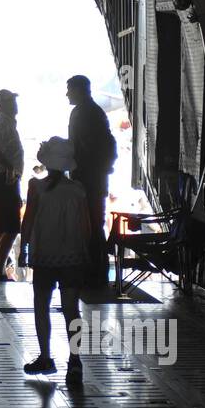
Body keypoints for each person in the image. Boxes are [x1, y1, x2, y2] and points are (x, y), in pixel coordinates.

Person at [19, 138, 91, 385]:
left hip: (44, 257)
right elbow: (86, 227)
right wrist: (86, 252)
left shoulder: (36, 187)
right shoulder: (78, 189)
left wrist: (23, 250)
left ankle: (46, 357)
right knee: (71, 309)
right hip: (73, 257)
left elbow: (28, 221)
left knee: (42, 306)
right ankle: (75, 360)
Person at [66, 75, 117, 288]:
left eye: (69, 89)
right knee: (93, 225)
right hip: (93, 178)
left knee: (91, 226)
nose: (67, 94)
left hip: (89, 180)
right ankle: (95, 273)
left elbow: (82, 147)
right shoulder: (91, 112)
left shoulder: (84, 113)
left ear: (80, 90)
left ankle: (93, 273)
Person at [0, 88, 24, 282]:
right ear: (3, 105)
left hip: (3, 179)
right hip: (3, 179)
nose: (15, 106)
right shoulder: (2, 123)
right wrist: (9, 167)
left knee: (3, 227)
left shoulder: (5, 123)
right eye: (11, 102)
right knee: (11, 227)